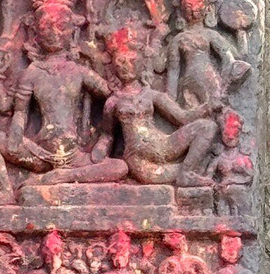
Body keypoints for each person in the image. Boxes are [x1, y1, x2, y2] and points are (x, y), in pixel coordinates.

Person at [0, 0, 127, 204]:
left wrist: (106, 136)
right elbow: (12, 110)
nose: (54, 33)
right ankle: (5, 190)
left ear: (72, 31)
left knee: (120, 166)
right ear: (35, 32)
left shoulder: (78, 71)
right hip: (39, 152)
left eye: (61, 26)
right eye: (46, 26)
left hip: (73, 155)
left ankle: (61, 177)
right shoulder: (32, 73)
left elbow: (113, 99)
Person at [93, 29, 218, 188]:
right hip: (139, 159)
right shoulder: (113, 102)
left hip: (164, 145)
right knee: (172, 173)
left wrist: (207, 107)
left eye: (131, 61)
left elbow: (182, 117)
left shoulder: (152, 95)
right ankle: (188, 171)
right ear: (113, 67)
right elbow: (107, 135)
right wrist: (99, 151)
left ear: (141, 64)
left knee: (207, 127)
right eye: (120, 62)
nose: (125, 67)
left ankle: (186, 172)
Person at [165, 0, 249, 108]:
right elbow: (173, 72)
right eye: (189, 5)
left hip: (211, 81)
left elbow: (234, 55)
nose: (194, 9)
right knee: (193, 112)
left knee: (215, 110)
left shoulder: (210, 35)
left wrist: (240, 33)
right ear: (181, 8)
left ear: (208, 8)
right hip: (189, 85)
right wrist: (170, 102)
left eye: (199, 4)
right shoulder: (178, 40)